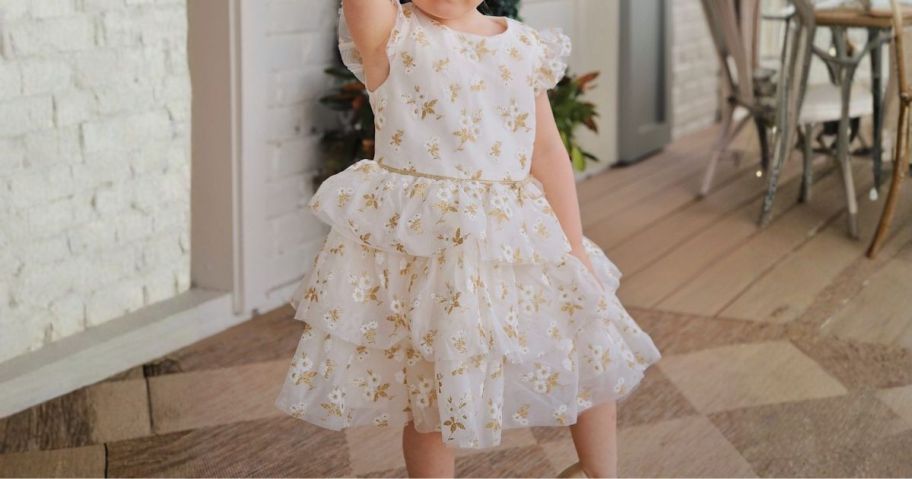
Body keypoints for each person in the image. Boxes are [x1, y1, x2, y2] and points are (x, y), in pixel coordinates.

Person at [274, 1, 662, 476]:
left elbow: (546, 151)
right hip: (432, 253)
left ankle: (599, 472)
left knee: (588, 349)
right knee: (434, 395)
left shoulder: (523, 45)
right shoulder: (393, 35)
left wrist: (575, 246)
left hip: (518, 239)